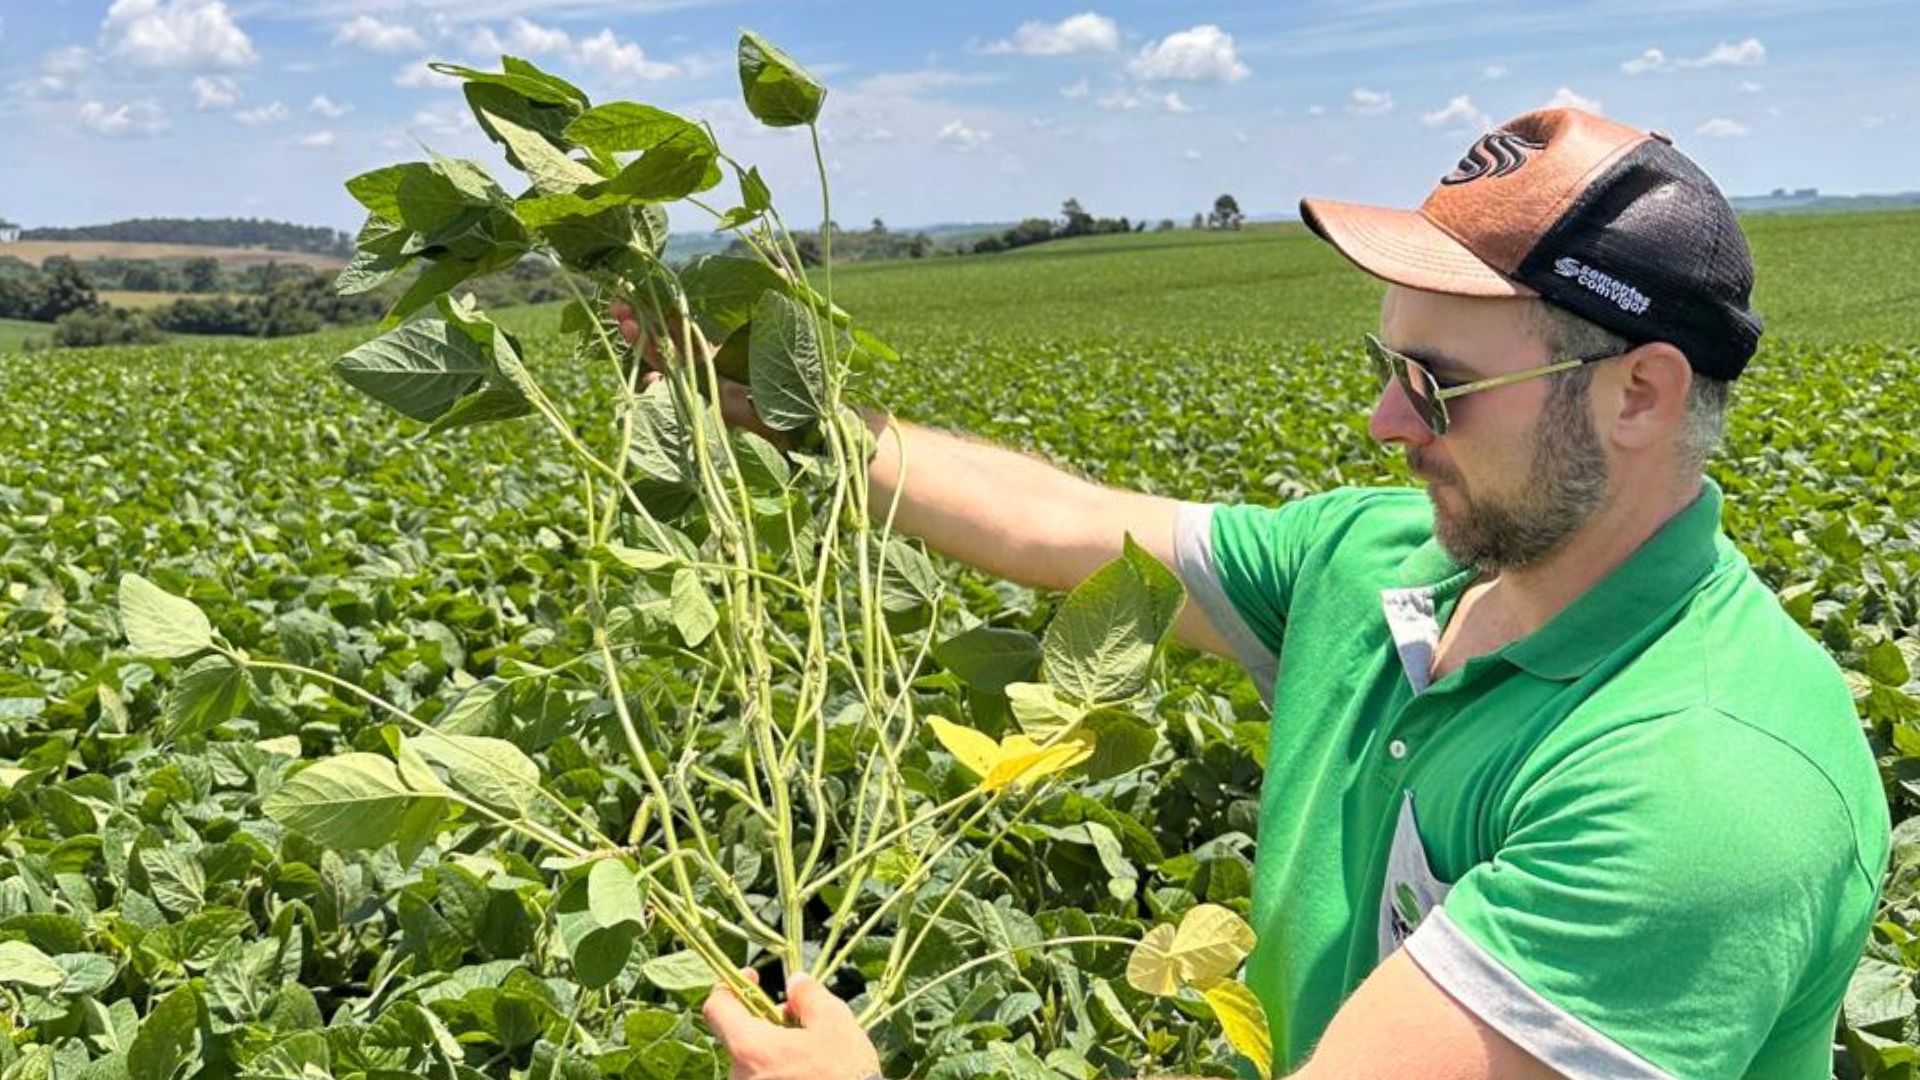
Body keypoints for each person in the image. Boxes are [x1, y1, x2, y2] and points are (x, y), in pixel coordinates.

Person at [630, 108, 1890, 1080]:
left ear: (1638, 394)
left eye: (1438, 385)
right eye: (1384, 364)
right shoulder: (1387, 560)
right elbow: (1066, 526)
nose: (1383, 419)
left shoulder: (1704, 781)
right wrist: (786, 416)